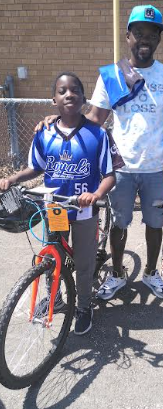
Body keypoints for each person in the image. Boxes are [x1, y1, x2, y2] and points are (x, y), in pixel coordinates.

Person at [35, 5, 163, 301]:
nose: (145, 39)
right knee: (120, 223)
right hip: (119, 168)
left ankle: (150, 273)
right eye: (139, 33)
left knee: (154, 225)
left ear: (159, 39)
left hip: (157, 168)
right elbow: (93, 121)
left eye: (152, 34)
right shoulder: (112, 76)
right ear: (128, 36)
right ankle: (118, 274)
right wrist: (55, 123)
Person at [0, 71, 116, 335]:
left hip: (84, 210)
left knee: (84, 264)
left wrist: (96, 194)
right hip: (55, 207)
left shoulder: (97, 134)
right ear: (53, 100)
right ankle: (56, 298)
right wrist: (14, 178)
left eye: (75, 90)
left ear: (84, 99)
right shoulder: (45, 133)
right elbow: (35, 168)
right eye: (62, 91)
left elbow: (110, 175)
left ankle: (84, 307)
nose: (69, 95)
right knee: (55, 257)